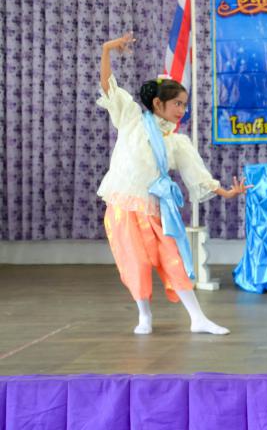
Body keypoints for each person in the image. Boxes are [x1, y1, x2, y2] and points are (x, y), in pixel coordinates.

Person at [97, 32, 249, 335]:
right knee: (137, 263)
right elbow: (108, 86)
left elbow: (198, 174)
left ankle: (198, 318)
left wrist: (226, 192)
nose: (182, 110)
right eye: (177, 103)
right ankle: (144, 316)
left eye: (184, 104)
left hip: (155, 209)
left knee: (173, 259)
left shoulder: (176, 142)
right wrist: (107, 50)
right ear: (158, 103)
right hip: (123, 206)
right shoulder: (131, 118)